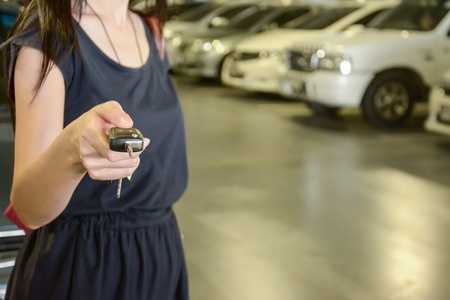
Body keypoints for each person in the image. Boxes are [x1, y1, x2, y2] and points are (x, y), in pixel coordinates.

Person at [3, 0, 189, 299]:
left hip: (160, 250)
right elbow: (28, 209)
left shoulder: (151, 30)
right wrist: (72, 150)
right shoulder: (48, 38)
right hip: (84, 263)